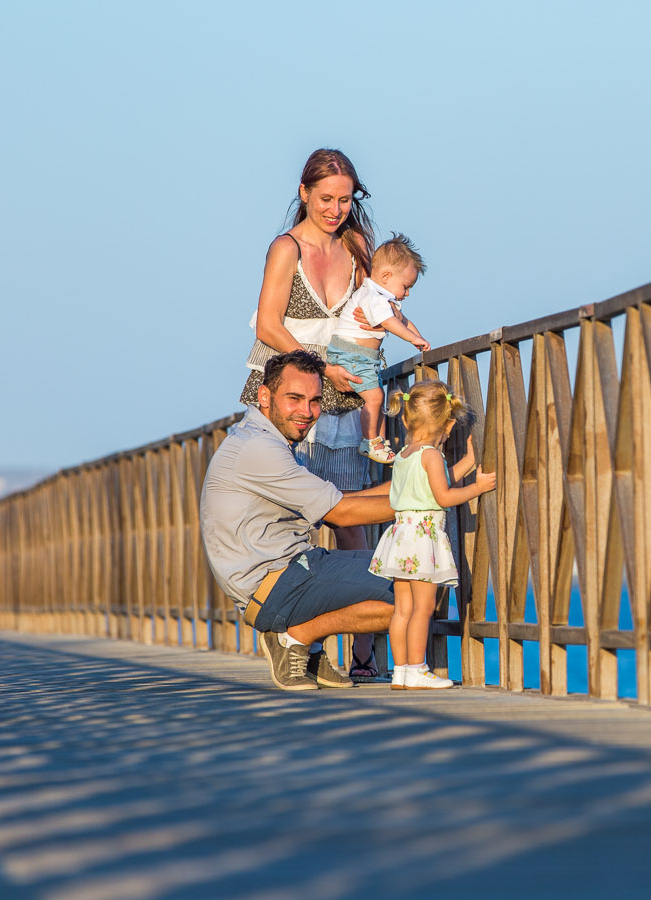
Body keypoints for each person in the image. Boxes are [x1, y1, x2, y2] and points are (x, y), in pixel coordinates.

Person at [239, 148, 384, 681]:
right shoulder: (286, 248)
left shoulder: (358, 246)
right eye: (326, 198)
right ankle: (305, 642)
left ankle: (366, 654)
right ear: (304, 193)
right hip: (291, 397)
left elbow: (374, 311)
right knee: (295, 522)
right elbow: (269, 325)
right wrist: (323, 367)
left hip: (344, 400)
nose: (336, 209)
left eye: (345, 199)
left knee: (351, 519)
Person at [203, 350, 401, 691]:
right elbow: (340, 514)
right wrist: (427, 502)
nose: (307, 412)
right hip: (273, 583)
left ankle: (305, 645)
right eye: (294, 398)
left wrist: (421, 487)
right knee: (414, 583)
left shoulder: (261, 437)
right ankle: (297, 637)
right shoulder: (260, 449)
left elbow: (339, 501)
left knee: (406, 574)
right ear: (264, 395)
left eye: (314, 401)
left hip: (286, 571)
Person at [369, 380, 496, 689]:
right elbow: (443, 497)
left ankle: (401, 671)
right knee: (424, 608)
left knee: (402, 609)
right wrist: (477, 488)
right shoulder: (432, 456)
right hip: (422, 538)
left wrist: (467, 463)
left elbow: (431, 486)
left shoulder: (403, 455)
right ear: (448, 425)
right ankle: (418, 668)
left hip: (400, 536)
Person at [326, 233, 431, 465]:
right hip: (351, 354)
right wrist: (412, 339)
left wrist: (419, 338)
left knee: (378, 400)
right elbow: (392, 324)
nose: (408, 293)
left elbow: (401, 320)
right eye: (406, 286)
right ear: (386, 276)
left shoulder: (384, 300)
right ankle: (369, 442)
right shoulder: (373, 297)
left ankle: (379, 441)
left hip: (363, 358)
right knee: (373, 397)